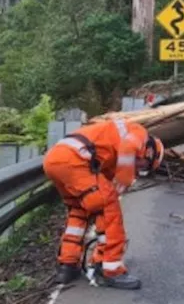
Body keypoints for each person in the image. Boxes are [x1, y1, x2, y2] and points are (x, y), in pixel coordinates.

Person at [42, 118, 164, 290]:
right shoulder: (139, 133)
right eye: (143, 166)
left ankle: (67, 266)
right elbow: (128, 148)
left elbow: (104, 177)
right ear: (150, 153)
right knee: (108, 209)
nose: (139, 169)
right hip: (76, 161)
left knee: (78, 211)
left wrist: (113, 184)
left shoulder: (110, 148)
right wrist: (125, 180)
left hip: (54, 160)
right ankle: (110, 269)